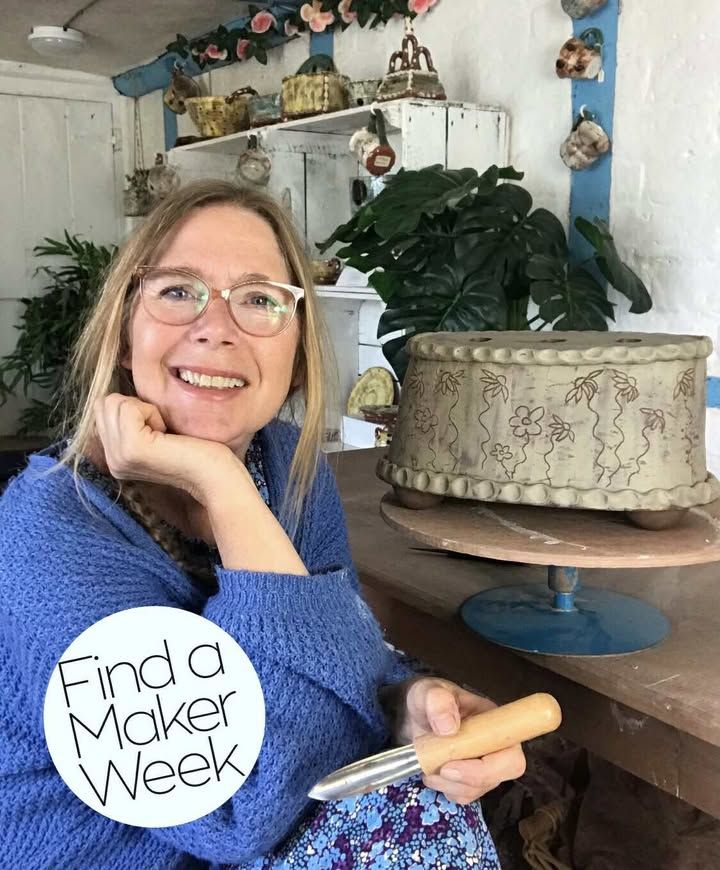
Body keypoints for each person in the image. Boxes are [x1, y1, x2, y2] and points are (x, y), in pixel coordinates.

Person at [0, 181, 525, 869]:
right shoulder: (50, 531)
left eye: (258, 300)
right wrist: (223, 487)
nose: (216, 327)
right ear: (125, 335)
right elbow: (235, 809)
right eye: (178, 291)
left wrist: (407, 702)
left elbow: (341, 655)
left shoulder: (285, 468)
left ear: (296, 352)